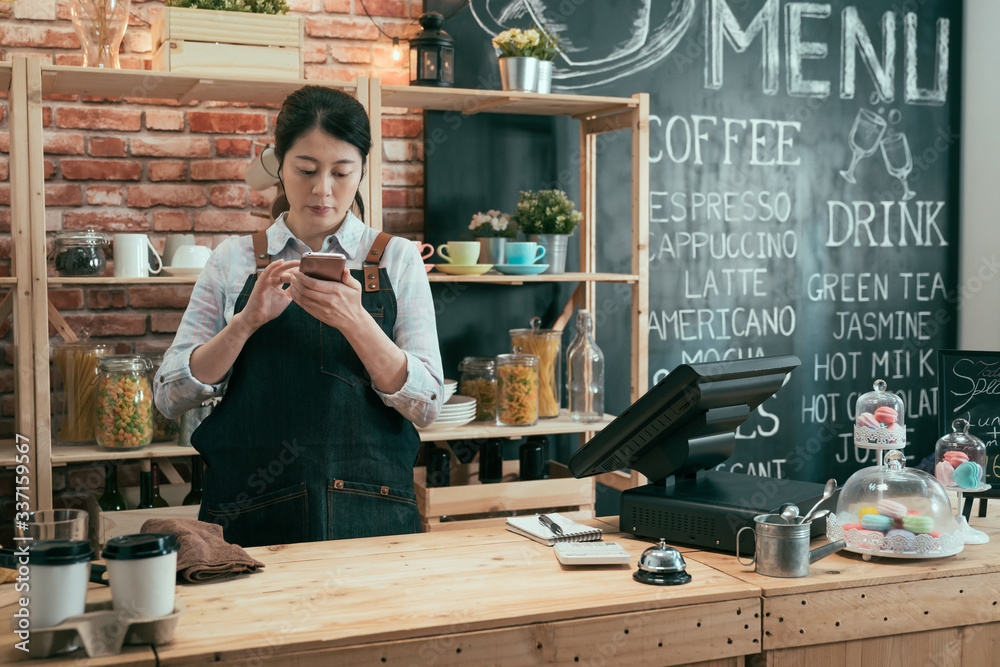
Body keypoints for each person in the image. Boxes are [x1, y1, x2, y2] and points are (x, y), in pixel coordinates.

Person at [154, 85, 443, 547]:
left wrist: (356, 320)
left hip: (373, 519)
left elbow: (427, 405)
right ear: (279, 165)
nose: (322, 190)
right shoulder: (233, 260)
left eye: (342, 172)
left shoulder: (397, 259)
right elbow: (170, 396)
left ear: (362, 172)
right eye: (306, 169)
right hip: (249, 519)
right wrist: (246, 322)